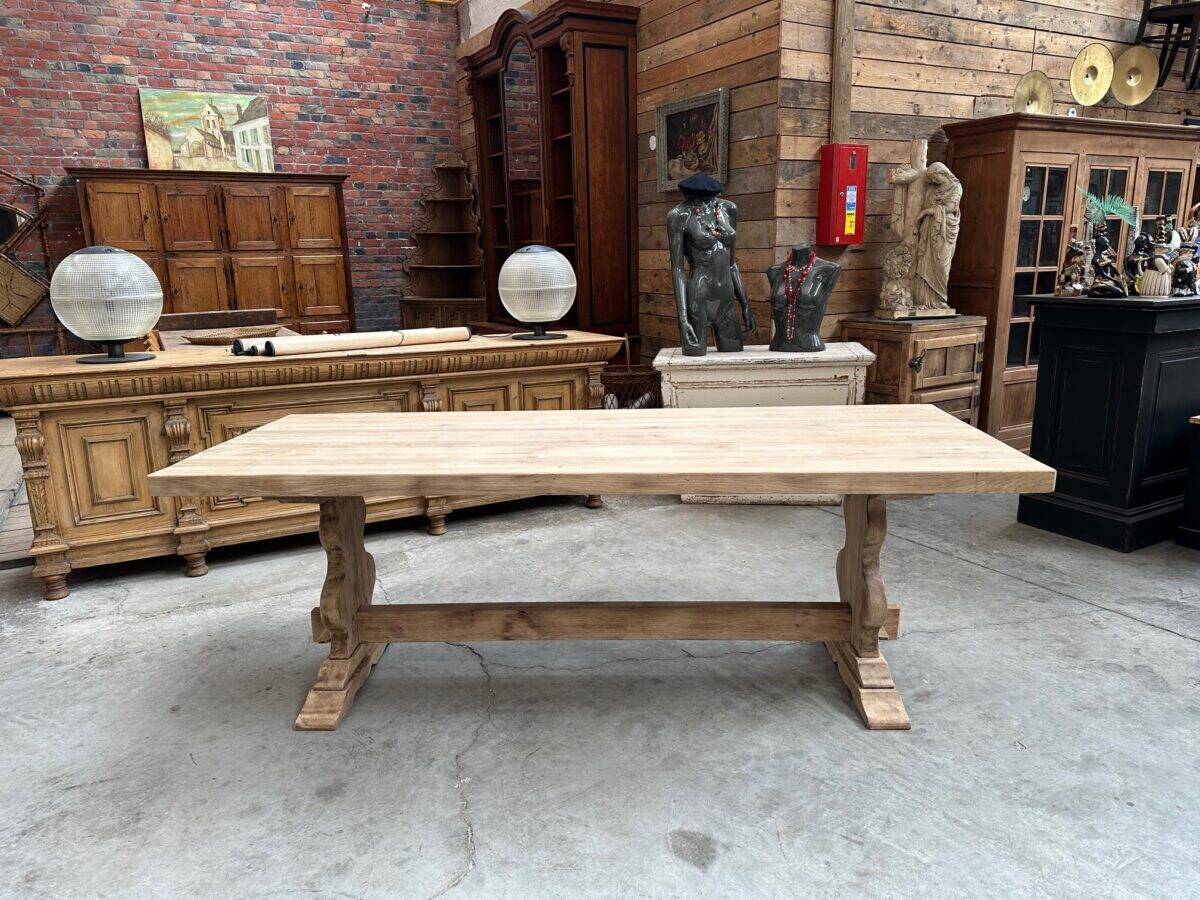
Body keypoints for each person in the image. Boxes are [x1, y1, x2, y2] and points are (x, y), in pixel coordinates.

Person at [666, 173, 755, 356]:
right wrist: (682, 316)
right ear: (690, 197)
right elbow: (677, 269)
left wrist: (745, 304)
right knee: (693, 359)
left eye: (711, 199)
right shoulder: (679, 215)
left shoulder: (728, 209)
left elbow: (731, 263)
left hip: (726, 298)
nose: (706, 203)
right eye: (700, 200)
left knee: (734, 357)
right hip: (699, 295)